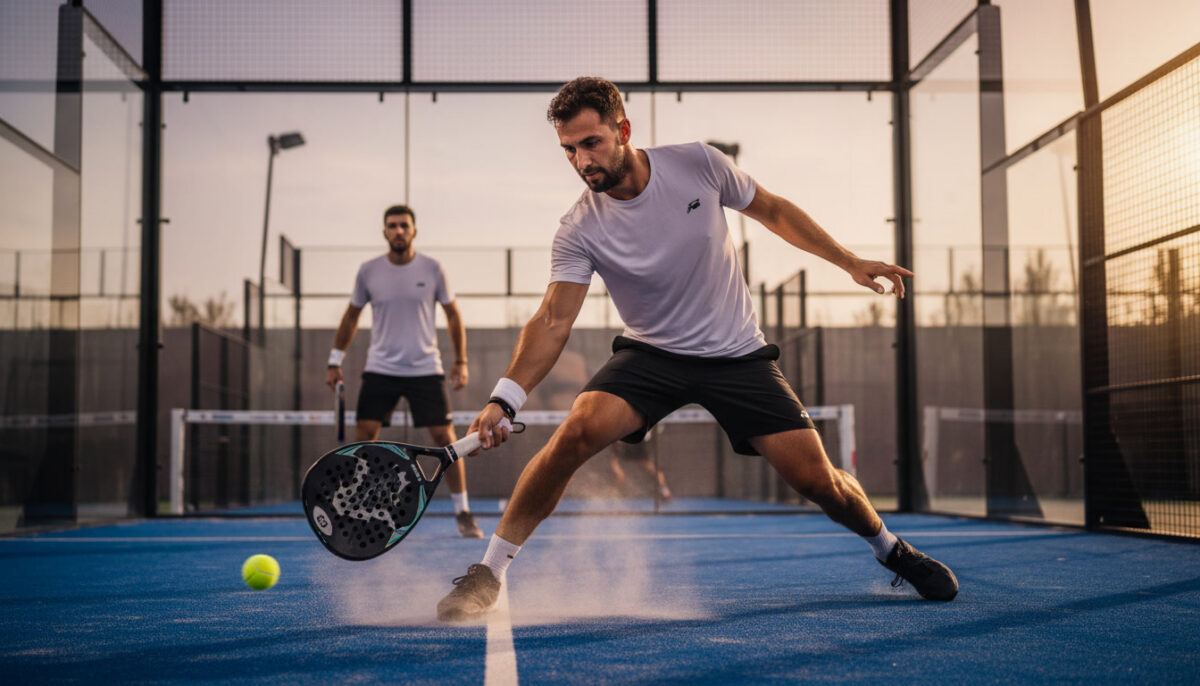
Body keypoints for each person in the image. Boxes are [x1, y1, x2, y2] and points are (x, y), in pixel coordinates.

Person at [436, 77, 957, 620]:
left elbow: (774, 212)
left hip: (736, 353)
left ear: (623, 130)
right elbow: (552, 318)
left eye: (591, 143)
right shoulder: (578, 228)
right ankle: (488, 573)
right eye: (568, 149)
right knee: (576, 431)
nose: (580, 160)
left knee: (818, 482)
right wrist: (504, 398)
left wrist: (849, 261)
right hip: (651, 355)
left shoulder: (699, 165)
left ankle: (891, 549)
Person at [326, 204, 483, 539]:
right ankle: (353, 508)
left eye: (404, 226)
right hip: (380, 368)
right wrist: (334, 360)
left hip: (425, 369)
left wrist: (461, 361)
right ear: (384, 231)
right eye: (392, 226)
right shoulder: (368, 271)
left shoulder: (433, 268)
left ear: (414, 231)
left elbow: (453, 315)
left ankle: (463, 512)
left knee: (446, 439)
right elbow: (351, 316)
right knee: (363, 437)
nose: (398, 231)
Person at [608, 426, 672, 502]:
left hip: (637, 442)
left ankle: (664, 490)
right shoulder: (620, 443)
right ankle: (614, 494)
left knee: (653, 470)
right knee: (618, 473)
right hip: (626, 442)